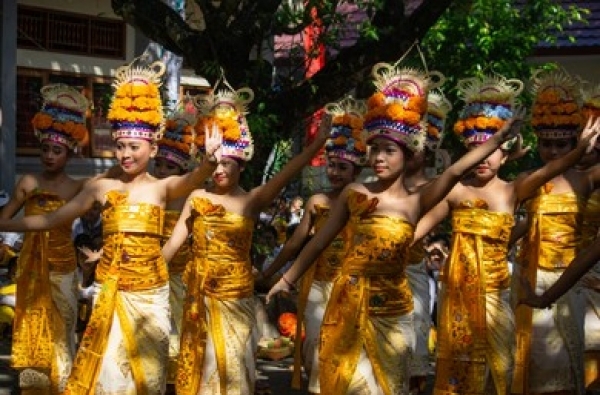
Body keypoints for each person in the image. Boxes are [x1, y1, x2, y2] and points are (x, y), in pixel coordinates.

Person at [266, 62, 522, 395]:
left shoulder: (417, 202)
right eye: (374, 150)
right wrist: (286, 280)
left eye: (389, 151)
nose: (379, 158)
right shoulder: (354, 194)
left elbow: (455, 172)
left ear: (409, 153)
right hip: (349, 303)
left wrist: (500, 139)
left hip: (395, 311)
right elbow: (317, 244)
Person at [0, 59, 222, 394]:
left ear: (153, 145)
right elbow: (51, 219)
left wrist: (210, 161)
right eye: (120, 146)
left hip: (151, 298)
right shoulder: (100, 188)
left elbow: (195, 177)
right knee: (110, 377)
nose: (125, 154)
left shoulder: (163, 188)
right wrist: (6, 223)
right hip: (112, 293)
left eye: (134, 147)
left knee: (149, 376)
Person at [413, 73, 599, 395]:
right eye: (475, 149)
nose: (483, 158)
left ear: (504, 152)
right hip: (461, 298)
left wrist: (581, 149)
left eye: (491, 150)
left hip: (515, 295)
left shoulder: (516, 190)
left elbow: (550, 171)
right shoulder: (457, 192)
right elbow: (413, 229)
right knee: (463, 379)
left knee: (508, 376)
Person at [161, 81, 332, 395]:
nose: (220, 171)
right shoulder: (196, 197)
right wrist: (141, 278)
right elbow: (171, 247)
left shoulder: (252, 200)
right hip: (199, 299)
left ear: (240, 164)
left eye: (228, 163)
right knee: (202, 375)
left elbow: (287, 174)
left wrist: (315, 146)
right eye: (216, 163)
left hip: (237, 300)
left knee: (236, 374)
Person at [260, 95, 368, 393]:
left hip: (351, 286)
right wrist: (272, 275)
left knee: (348, 352)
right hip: (318, 285)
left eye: (342, 168)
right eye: (331, 166)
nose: (334, 172)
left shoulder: (363, 203)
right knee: (317, 350)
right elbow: (295, 244)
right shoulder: (317, 202)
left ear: (356, 172)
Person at [0, 83, 102, 394]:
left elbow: (109, 207)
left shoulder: (78, 187)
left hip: (64, 270)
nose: (48, 156)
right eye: (44, 149)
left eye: (56, 150)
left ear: (70, 152)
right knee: (33, 328)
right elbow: (5, 220)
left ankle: (64, 388)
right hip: (32, 269)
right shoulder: (28, 182)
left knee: (62, 334)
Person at [511, 69, 600, 395]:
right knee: (529, 370)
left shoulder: (586, 179)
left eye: (561, 144)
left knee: (564, 371)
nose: (552, 151)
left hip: (570, 280)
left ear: (575, 142)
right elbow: (523, 224)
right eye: (546, 144)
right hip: (530, 275)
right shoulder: (528, 179)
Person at [403, 89, 452, 394]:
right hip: (377, 273)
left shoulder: (436, 186)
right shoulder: (377, 186)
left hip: (414, 271)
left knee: (414, 346)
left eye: (416, 146)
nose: (410, 152)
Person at [152, 100, 198, 387]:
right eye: (160, 164)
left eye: (171, 166)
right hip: (151, 276)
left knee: (179, 339)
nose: (163, 170)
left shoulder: (190, 195)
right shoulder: (148, 190)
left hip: (181, 278)